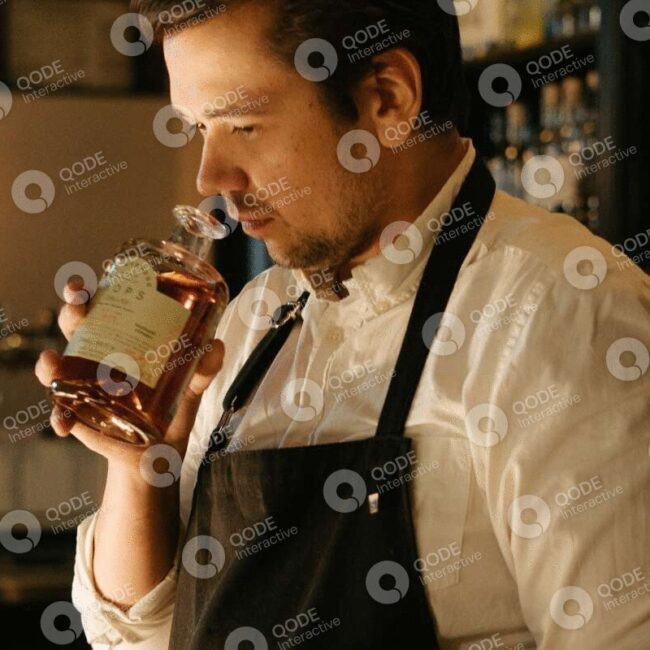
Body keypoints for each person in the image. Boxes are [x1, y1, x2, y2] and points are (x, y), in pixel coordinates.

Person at [34, 1, 650, 648]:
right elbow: (141, 636)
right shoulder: (252, 320)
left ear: (388, 97)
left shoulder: (563, 309)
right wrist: (141, 468)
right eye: (199, 129)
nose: (210, 177)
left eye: (243, 124)